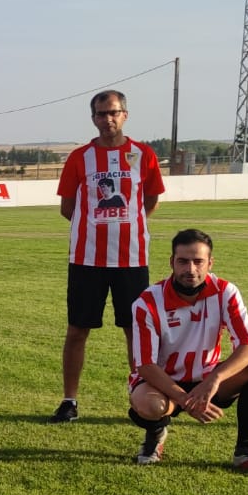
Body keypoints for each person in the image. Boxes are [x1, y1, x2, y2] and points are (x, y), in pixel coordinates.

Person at [48, 90, 166, 423]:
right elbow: (68, 207)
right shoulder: (79, 158)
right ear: (93, 118)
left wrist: (126, 225)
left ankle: (140, 395)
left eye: (113, 112)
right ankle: (69, 401)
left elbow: (152, 199)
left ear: (125, 115)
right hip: (87, 259)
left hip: (132, 259)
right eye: (101, 114)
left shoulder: (143, 154)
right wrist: (96, 226)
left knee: (135, 331)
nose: (107, 119)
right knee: (77, 330)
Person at [127, 229, 248, 474]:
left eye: (198, 261)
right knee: (150, 406)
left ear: (210, 263)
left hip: (208, 379)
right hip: (163, 383)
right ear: (171, 262)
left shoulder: (225, 292)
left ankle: (246, 452)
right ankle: (155, 436)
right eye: (183, 261)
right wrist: (185, 400)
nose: (190, 269)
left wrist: (215, 379)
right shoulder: (147, 302)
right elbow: (145, 365)